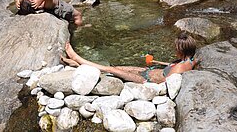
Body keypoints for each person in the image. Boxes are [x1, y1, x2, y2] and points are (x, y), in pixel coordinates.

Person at [61, 32, 198, 84]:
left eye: (176, 48)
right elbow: (173, 66)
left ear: (181, 50)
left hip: (144, 80)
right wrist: (156, 62)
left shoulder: (181, 67)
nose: (174, 50)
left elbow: (167, 84)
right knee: (115, 68)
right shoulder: (189, 60)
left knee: (110, 70)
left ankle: (77, 59)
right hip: (146, 71)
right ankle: (77, 65)